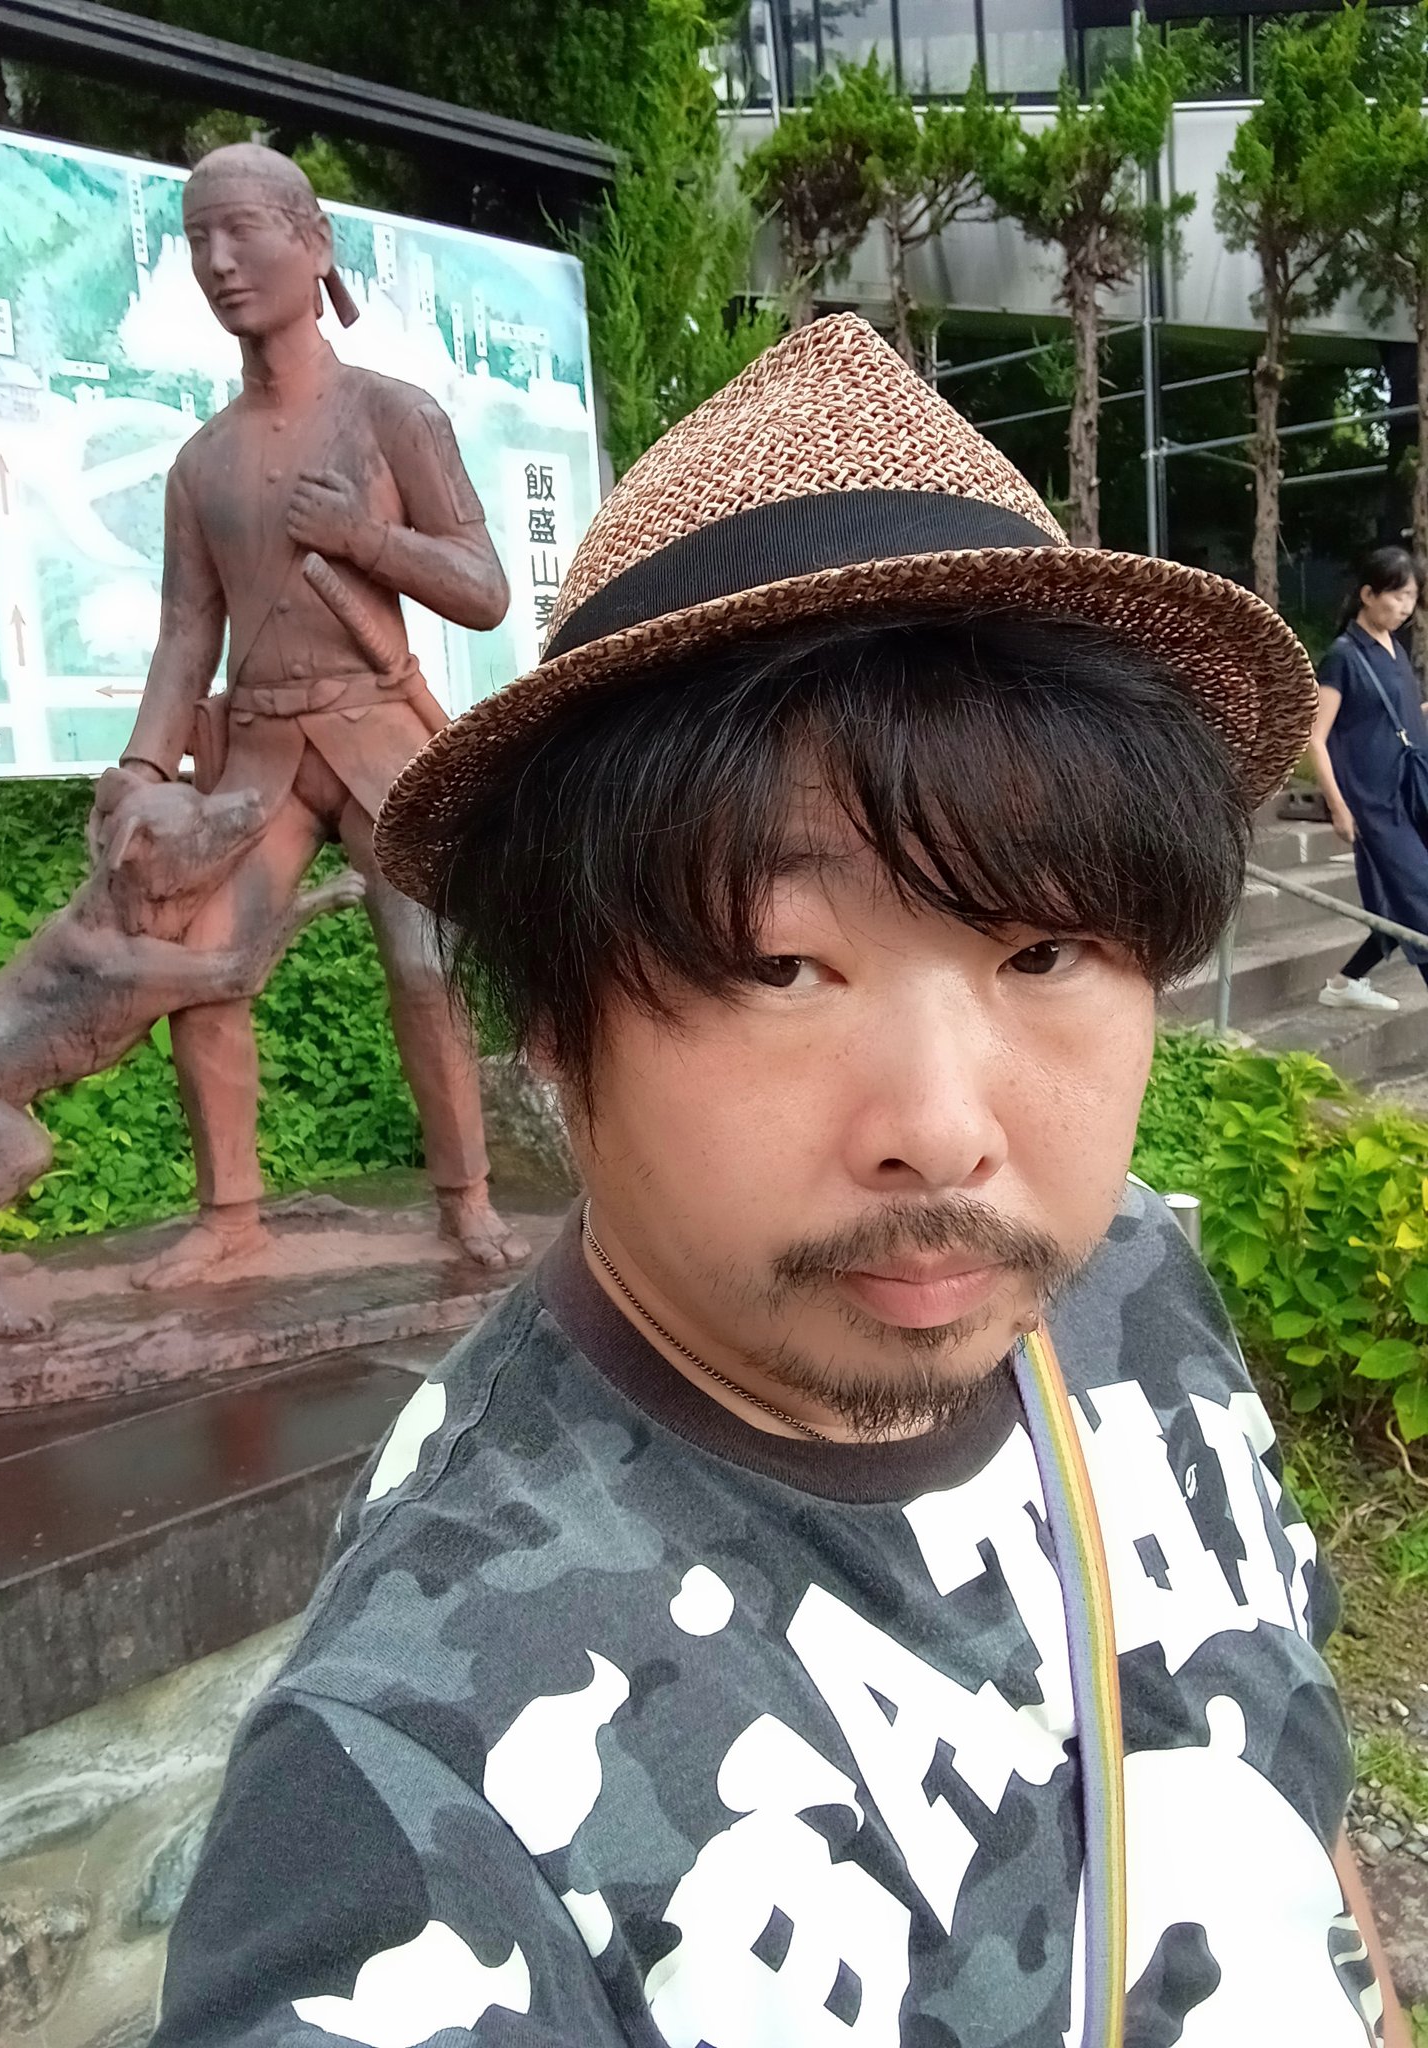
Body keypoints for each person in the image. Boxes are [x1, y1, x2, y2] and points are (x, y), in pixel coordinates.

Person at [150, 317, 1406, 2047]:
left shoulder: (1119, 1270)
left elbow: (1282, 1769)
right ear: (556, 1023)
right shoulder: (421, 1782)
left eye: (1046, 950)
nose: (943, 1132)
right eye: (776, 964)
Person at [113, 143, 528, 1286]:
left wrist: (365, 538)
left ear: (314, 244)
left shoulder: (394, 415)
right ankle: (230, 1215)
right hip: (260, 758)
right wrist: (143, 768)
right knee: (205, 964)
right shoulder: (201, 462)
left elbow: (483, 589)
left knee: (426, 964)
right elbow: (186, 634)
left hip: (381, 734)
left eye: (242, 230)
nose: (218, 260)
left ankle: (467, 1198)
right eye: (197, 238)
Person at [1311, 543, 1428, 1014]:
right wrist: (1338, 806)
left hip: (1412, 791)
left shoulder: (1394, 649)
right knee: (1419, 898)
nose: (1405, 607)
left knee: (1396, 906)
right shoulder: (1343, 656)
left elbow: (1402, 718)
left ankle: (1343, 983)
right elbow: (1315, 737)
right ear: (1367, 594)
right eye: (1397, 595)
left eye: (1412, 597)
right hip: (1375, 804)